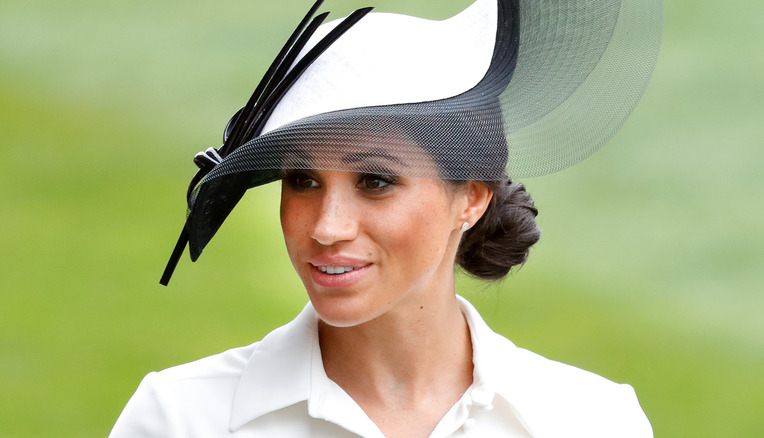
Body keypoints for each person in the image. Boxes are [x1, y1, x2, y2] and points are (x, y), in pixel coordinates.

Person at [111, 0, 662, 436]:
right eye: (302, 181)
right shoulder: (179, 420)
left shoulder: (592, 422)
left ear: (470, 197)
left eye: (375, 181)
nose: (327, 227)